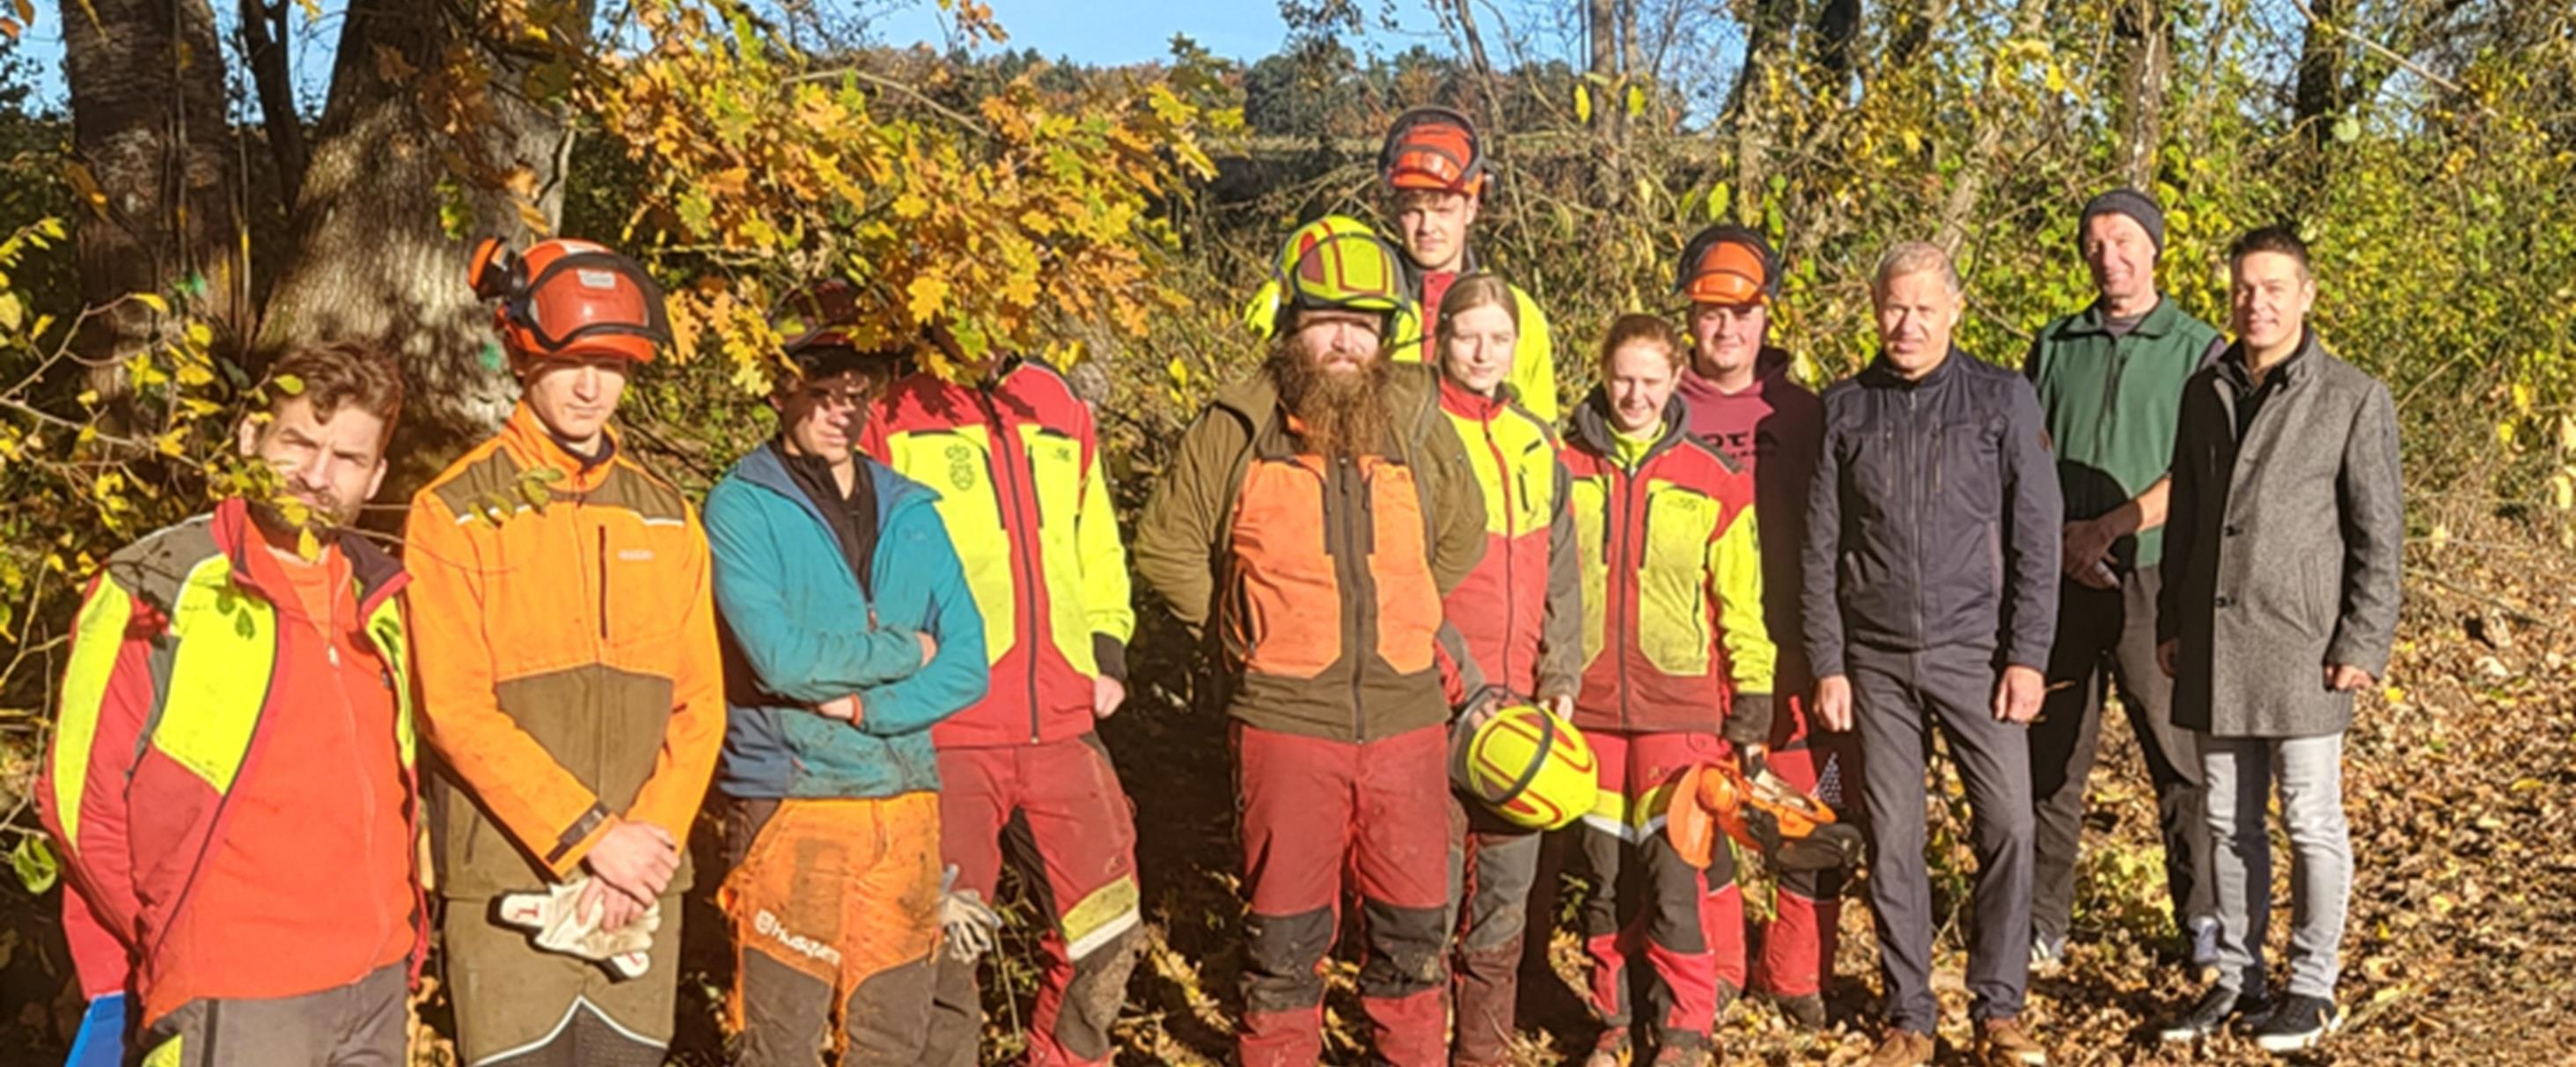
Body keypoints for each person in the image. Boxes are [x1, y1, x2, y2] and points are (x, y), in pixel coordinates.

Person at [1133, 217, 1488, 1067]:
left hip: (1407, 722)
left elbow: (1461, 532)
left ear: (1385, 336)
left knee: (1413, 936)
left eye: (1362, 325)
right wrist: (1243, 632)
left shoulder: (1414, 416)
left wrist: (1404, 611)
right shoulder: (1238, 421)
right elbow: (1166, 546)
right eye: (1326, 320)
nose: (1343, 342)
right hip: (1284, 725)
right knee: (1285, 942)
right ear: (1290, 322)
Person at [40, 342, 420, 1065]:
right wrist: (172, 938)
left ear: (375, 476)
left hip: (374, 985)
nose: (316, 476)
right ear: (249, 438)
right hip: (234, 990)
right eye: (297, 443)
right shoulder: (156, 581)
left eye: (346, 458)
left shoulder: (380, 596)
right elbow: (76, 800)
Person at [406, 237, 724, 1065]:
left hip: (642, 887)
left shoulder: (667, 514)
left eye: (611, 365)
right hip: (508, 882)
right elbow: (452, 709)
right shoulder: (454, 511)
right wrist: (590, 838)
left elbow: (699, 706)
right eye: (570, 363)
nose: (591, 388)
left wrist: (646, 844)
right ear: (522, 357)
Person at [703, 290, 989, 1065]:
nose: (841, 413)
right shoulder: (741, 507)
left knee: (892, 1038)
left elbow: (968, 662)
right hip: (793, 798)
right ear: (780, 390)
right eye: (822, 393)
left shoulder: (911, 510)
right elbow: (781, 660)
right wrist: (905, 651)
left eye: (856, 396)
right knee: (780, 1039)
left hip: (905, 802)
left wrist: (865, 708)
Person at [859, 301, 1143, 1066]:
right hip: (948, 726)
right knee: (941, 945)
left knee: (1108, 933)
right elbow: (862, 560)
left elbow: (1095, 540)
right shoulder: (892, 408)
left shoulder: (1055, 402)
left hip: (1063, 720)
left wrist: (1105, 649)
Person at [1803, 242, 2060, 1067]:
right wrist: (1828, 661)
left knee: (2009, 825)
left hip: (1976, 654)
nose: (1906, 324)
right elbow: (1817, 547)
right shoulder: (1844, 410)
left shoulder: (1999, 399)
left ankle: (1998, 1008)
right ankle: (1908, 1016)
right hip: (1874, 662)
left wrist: (2027, 654)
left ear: (1954, 310)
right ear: (1873, 309)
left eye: (1922, 309)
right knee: (1892, 838)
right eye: (1893, 307)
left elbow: (2036, 536)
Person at [2154, 226, 2400, 1053]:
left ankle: (2311, 986)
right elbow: (2185, 520)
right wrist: (2171, 621)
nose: (2254, 303)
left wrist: (2362, 639)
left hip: (2306, 645)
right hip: (2214, 641)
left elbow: (2378, 534)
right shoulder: (2204, 391)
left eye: (2271, 288)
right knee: (2226, 820)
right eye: (2242, 289)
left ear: (2305, 295)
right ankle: (2237, 977)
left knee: (2310, 819)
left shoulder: (2352, 397)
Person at [1559, 313, 1774, 1067]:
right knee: (1603, 876)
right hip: (1585, 710)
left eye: (1650, 381)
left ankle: (1683, 1028)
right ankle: (1613, 1022)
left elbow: (1740, 602)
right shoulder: (1560, 465)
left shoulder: (1713, 477)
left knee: (1675, 874)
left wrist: (1751, 700)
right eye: (1622, 378)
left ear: (1675, 379)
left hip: (1680, 710)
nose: (1634, 395)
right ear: (1601, 373)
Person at [2022, 189, 2227, 975]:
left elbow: (2200, 472)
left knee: (2176, 757)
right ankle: (2041, 923)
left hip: (2150, 577)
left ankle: (2203, 918)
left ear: (2153, 250)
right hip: (2061, 579)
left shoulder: (2197, 348)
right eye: (2095, 245)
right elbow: (2025, 457)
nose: (2109, 258)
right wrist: (2061, 542)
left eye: (2123, 242)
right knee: (2050, 758)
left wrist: (2108, 528)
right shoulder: (2055, 344)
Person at [1669, 224, 1849, 1028]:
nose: (1726, 330)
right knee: (1700, 813)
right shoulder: (1657, 405)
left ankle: (1796, 973)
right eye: (1710, 313)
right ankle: (1714, 970)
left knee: (1810, 814)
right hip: (1690, 655)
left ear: (1766, 316)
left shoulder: (1806, 415)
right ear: (1689, 317)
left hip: (1798, 658)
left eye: (1741, 314)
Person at [1426, 273, 1582, 1067]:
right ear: (1441, 340)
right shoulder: (1417, 433)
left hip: (1522, 713)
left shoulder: (1535, 441)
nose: (1482, 353)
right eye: (1468, 337)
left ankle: (1481, 1054)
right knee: (1427, 899)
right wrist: (1462, 686)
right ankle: (1415, 1049)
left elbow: (1562, 573)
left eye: (1498, 339)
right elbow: (1404, 577)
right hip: (1434, 704)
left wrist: (1560, 677)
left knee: (1504, 901)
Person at [1377, 105, 1560, 421]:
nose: (1427, 227)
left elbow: (1543, 434)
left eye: (1442, 210)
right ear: (1396, 214)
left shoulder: (1518, 313)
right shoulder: (1373, 305)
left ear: (1472, 208)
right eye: (1413, 211)